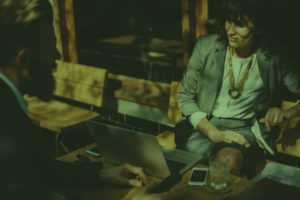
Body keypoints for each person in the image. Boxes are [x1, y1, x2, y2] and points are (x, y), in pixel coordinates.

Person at [0, 0, 165, 199]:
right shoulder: (8, 130)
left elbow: (39, 169)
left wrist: (102, 174)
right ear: (23, 60)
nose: (57, 56)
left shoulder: (8, 105)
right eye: (51, 48)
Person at [177, 0, 300, 176]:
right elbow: (185, 96)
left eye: (240, 24)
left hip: (244, 130)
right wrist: (213, 133)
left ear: (258, 27)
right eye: (228, 21)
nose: (230, 30)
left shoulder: (273, 58)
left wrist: (289, 113)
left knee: (229, 161)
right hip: (203, 127)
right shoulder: (206, 47)